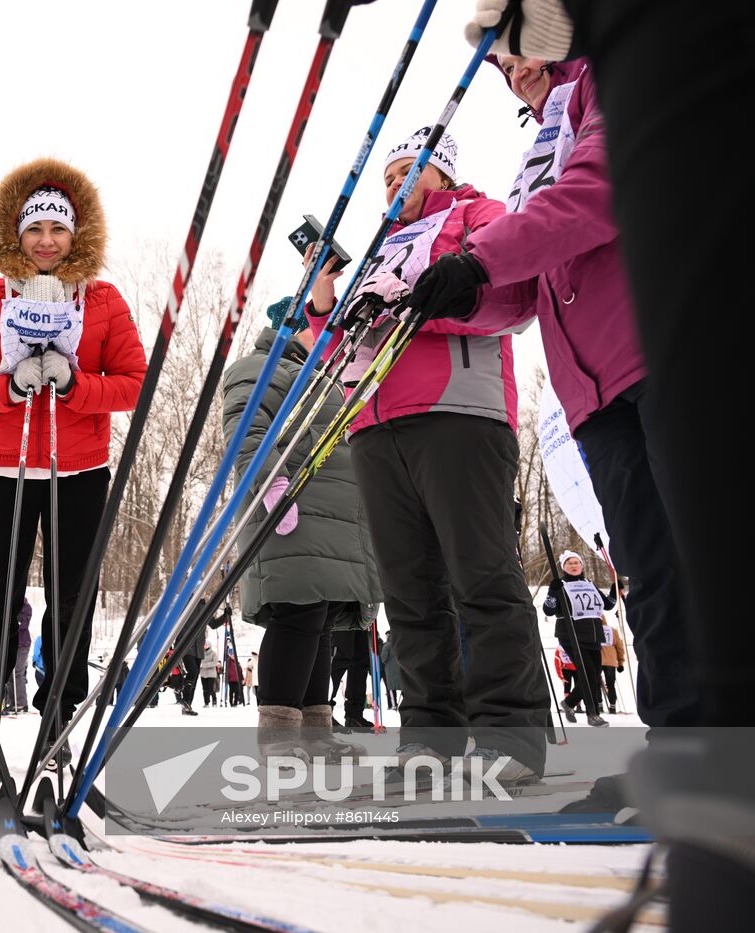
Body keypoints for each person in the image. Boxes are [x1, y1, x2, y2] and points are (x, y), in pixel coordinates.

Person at [408, 49, 696, 730]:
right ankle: (684, 758)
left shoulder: (609, 83)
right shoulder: (540, 147)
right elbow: (525, 289)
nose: (513, 66)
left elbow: (599, 194)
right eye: (500, 62)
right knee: (649, 573)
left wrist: (476, 257)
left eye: (521, 43)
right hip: (591, 394)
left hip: (662, 347)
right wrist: (451, 294)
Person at [308, 127, 550, 785]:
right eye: (385, 178)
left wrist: (420, 303)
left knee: (482, 576)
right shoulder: (375, 253)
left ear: (440, 175)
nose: (394, 185)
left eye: (408, 172)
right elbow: (337, 356)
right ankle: (431, 737)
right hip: (374, 425)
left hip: (459, 412)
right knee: (410, 592)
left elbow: (516, 297)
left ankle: (511, 732)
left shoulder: (478, 216)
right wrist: (326, 301)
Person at [0, 157, 147, 760]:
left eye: (59, 230)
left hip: (78, 471)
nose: (47, 242)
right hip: (3, 470)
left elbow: (134, 382)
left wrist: (77, 384)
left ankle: (58, 711)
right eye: (35, 229)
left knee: (71, 598)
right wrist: (6, 385)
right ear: (16, 233)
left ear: (76, 235)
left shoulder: (103, 299)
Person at [223, 310, 383, 760]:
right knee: (297, 616)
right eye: (323, 330)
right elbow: (246, 428)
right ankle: (278, 740)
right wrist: (271, 485)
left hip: (331, 520)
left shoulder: (323, 377)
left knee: (321, 621)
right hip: (291, 509)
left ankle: (315, 733)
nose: (332, 339)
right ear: (293, 327)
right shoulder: (262, 365)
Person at [543, 550, 617, 726]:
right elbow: (548, 610)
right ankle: (593, 715)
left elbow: (608, 605)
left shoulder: (588, 583)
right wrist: (553, 593)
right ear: (563, 567)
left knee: (594, 675)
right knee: (588, 674)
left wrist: (615, 589)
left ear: (582, 566)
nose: (574, 566)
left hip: (593, 636)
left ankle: (568, 703)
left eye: (577, 562)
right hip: (571, 636)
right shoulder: (560, 584)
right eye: (569, 563)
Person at [5, 598, 33, 713]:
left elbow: (23, 624)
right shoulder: (8, 605)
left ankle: (21, 703)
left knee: (17, 672)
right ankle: (12, 702)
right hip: (11, 643)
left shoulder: (26, 607)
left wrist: (13, 620)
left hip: (22, 644)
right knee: (10, 673)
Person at [599, 601, 627, 715]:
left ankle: (599, 705)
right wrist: (621, 662)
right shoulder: (612, 630)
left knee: (596, 684)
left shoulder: (592, 631)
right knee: (611, 684)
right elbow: (619, 647)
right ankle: (612, 707)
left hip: (597, 661)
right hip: (611, 662)